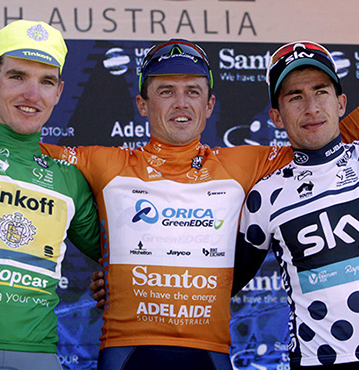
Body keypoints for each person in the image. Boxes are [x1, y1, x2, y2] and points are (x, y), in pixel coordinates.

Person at [41, 39, 359, 370]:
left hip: (209, 353)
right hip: (127, 352)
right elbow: (21, 149)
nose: (181, 104)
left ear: (209, 105)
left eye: (193, 91)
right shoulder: (104, 163)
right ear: (142, 104)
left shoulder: (246, 164)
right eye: (166, 91)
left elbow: (325, 138)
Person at [234, 41, 359, 369]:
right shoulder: (264, 196)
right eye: (295, 97)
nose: (312, 107)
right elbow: (219, 282)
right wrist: (126, 283)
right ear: (276, 116)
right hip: (319, 361)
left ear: (341, 102)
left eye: (321, 92)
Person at [0, 20, 101, 370]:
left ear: (59, 92)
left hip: (37, 356)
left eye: (46, 82)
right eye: (17, 77)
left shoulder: (69, 178)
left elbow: (119, 256)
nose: (32, 95)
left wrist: (113, 279)